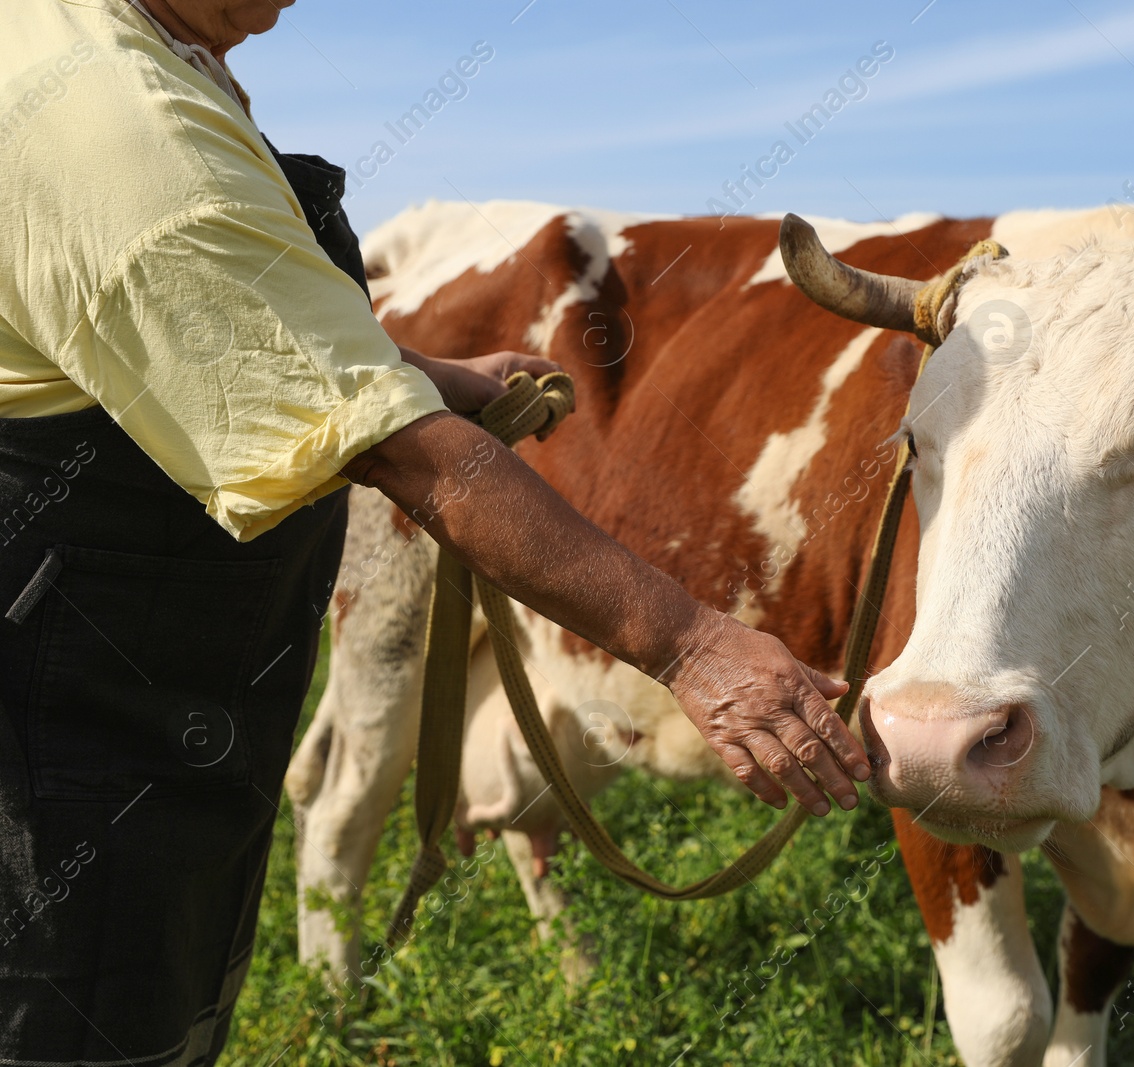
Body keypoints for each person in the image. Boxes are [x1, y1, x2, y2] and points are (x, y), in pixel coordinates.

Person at [0, 1, 870, 1061]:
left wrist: (434, 375)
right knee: (73, 1011)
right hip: (69, 713)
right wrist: (691, 642)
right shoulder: (126, 129)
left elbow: (211, 319)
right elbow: (406, 456)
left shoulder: (85, 39)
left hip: (133, 678)